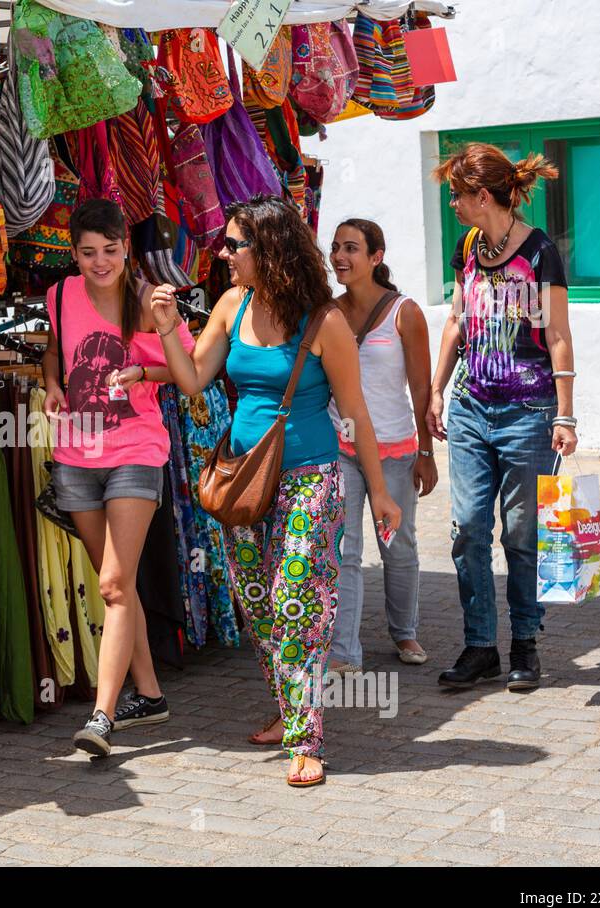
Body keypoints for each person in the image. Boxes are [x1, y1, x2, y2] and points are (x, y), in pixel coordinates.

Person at [157, 195, 401, 787]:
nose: (223, 253)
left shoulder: (324, 321)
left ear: (267, 249)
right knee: (261, 607)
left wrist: (383, 494)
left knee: (297, 602)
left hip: (311, 477)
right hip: (243, 478)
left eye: (234, 244)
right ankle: (292, 709)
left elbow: (358, 415)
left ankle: (306, 739)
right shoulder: (229, 305)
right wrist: (168, 331)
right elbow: (193, 379)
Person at [41, 199, 195, 758]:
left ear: (126, 248)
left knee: (111, 584)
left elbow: (188, 374)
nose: (99, 261)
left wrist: (142, 370)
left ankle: (102, 717)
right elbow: (53, 351)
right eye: (88, 252)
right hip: (76, 455)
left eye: (109, 250)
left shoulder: (149, 299)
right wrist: (54, 383)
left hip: (135, 449)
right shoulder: (59, 294)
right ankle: (150, 696)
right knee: (120, 585)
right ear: (74, 252)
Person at [428, 144, 576, 691]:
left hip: (528, 413)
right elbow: (454, 322)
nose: (453, 206)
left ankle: (525, 643)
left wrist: (566, 417)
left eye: (457, 195)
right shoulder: (467, 246)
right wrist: (436, 390)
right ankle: (479, 647)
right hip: (470, 407)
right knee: (468, 528)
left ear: (482, 196)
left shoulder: (540, 254)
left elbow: (558, 336)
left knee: (520, 533)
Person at [327, 219, 437, 672]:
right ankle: (344, 652)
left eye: (351, 248)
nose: (340, 257)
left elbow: (420, 388)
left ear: (376, 257)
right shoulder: (326, 312)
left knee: (398, 545)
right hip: (341, 446)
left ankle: (404, 632)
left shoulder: (404, 313)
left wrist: (426, 452)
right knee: (344, 550)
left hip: (394, 448)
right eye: (335, 247)